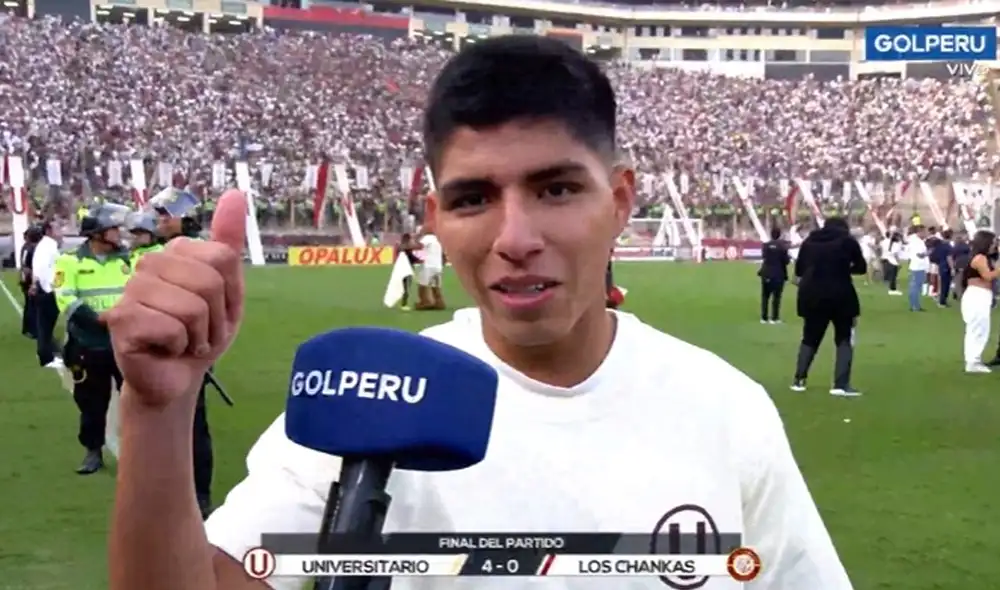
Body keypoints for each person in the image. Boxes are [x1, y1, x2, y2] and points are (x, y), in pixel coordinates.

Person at [106, 37, 852, 590]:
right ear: (434, 218)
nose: (515, 239)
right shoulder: (369, 401)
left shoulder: (723, 411)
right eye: (472, 199)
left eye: (557, 189)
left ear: (621, 199)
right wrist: (157, 412)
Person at [150, 188, 215, 518]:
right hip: (158, 348)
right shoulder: (158, 249)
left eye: (166, 215)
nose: (160, 220)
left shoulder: (200, 253)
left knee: (192, 425)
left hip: (188, 351)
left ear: (184, 219)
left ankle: (200, 494)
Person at [54, 204, 132, 474]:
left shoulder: (127, 259)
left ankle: (140, 451)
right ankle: (93, 451)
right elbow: (65, 298)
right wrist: (98, 320)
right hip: (89, 344)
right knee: (92, 402)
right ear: (97, 233)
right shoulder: (69, 261)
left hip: (126, 344)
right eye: (112, 228)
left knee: (135, 401)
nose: (118, 233)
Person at [790, 216, 866, 396]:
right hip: (840, 293)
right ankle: (840, 384)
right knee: (844, 338)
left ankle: (799, 379)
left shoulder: (809, 241)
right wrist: (844, 268)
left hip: (812, 294)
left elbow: (799, 270)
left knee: (809, 338)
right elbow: (861, 267)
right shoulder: (848, 242)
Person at [959, 230, 999, 373]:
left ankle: (973, 360)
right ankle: (973, 361)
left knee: (978, 329)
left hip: (980, 295)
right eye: (993, 242)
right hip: (977, 295)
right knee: (978, 329)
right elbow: (988, 276)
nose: (995, 245)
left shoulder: (982, 257)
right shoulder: (980, 258)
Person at [31, 220, 65, 368]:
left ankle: (47, 353)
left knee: (46, 325)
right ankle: (46, 358)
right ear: (49, 231)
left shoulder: (47, 245)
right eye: (57, 228)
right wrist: (50, 288)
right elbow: (43, 269)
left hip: (45, 289)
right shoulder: (48, 246)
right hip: (47, 291)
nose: (61, 231)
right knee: (45, 325)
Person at [758, 226, 790, 324]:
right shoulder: (782, 247)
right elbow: (786, 261)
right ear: (779, 235)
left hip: (766, 273)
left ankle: (764, 318)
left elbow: (764, 257)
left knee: (765, 296)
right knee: (776, 297)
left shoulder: (766, 245)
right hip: (778, 274)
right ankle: (774, 318)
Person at [19, 225, 42, 340]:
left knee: (30, 305)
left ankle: (27, 329)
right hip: (28, 281)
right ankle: (32, 330)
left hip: (27, 280)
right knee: (32, 306)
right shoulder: (30, 248)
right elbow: (26, 267)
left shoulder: (27, 247)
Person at [415, 227, 446, 310]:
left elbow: (418, 246)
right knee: (436, 286)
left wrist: (416, 238)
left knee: (422, 285)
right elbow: (443, 254)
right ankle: (439, 303)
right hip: (438, 266)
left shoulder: (427, 238)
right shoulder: (437, 240)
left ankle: (425, 302)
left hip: (429, 265)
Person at [904, 225, 929, 311]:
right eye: (924, 232)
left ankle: (914, 305)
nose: (925, 234)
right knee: (916, 287)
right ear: (920, 232)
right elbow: (919, 255)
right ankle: (915, 306)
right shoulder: (917, 242)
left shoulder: (913, 240)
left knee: (914, 287)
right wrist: (928, 253)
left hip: (915, 266)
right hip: (918, 267)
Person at [396, 232, 421, 311]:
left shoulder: (400, 247)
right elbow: (411, 257)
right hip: (408, 268)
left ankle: (403, 303)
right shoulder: (407, 248)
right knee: (407, 287)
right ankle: (404, 304)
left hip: (401, 268)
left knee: (404, 286)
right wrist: (419, 260)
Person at [931, 229, 955, 307]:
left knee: (943, 284)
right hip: (946, 267)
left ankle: (943, 300)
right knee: (945, 284)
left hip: (941, 265)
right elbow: (949, 258)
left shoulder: (940, 245)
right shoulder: (948, 246)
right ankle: (942, 301)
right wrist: (952, 268)